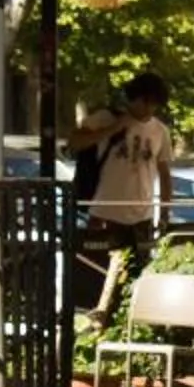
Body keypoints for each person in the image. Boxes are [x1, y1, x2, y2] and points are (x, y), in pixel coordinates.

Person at [70, 72, 173, 254]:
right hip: (105, 211)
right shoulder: (106, 118)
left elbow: (164, 174)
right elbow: (75, 142)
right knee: (98, 270)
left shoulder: (160, 131)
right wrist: (113, 129)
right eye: (145, 102)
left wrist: (165, 213)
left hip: (142, 216)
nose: (148, 109)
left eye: (154, 104)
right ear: (134, 98)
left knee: (136, 270)